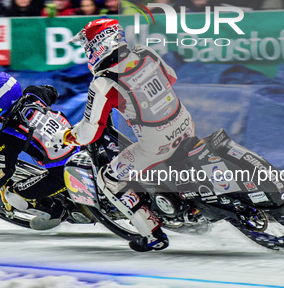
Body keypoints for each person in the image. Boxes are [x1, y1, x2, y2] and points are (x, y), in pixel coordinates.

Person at [50, 18, 195, 252]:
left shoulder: (104, 83)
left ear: (100, 45)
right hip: (185, 124)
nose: (87, 52)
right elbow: (171, 77)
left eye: (88, 47)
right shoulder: (146, 53)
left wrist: (70, 136)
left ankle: (153, 235)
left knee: (109, 179)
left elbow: (88, 132)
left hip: (156, 144)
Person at [0, 73, 79, 230]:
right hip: (82, 149)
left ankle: (56, 211)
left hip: (63, 174)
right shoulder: (34, 94)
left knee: (13, 194)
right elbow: (51, 91)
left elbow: (3, 172)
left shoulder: (9, 134)